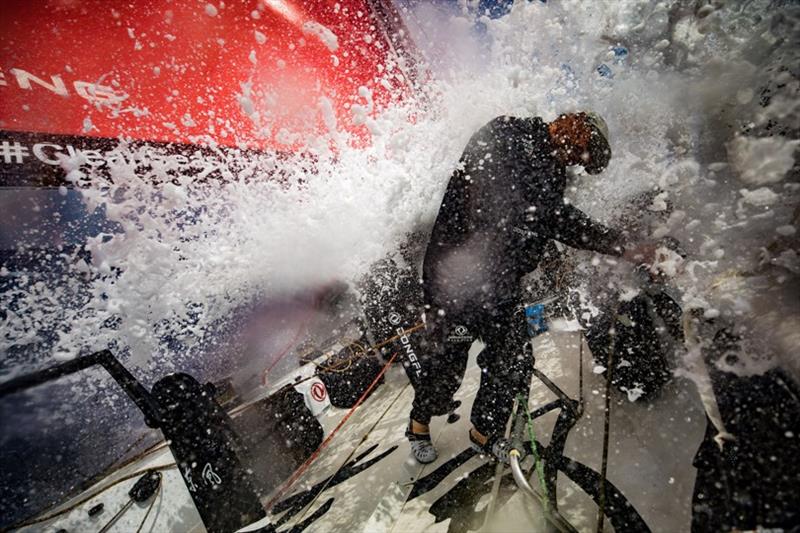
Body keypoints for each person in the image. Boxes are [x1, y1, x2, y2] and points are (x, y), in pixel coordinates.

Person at [406, 111, 650, 464]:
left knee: (514, 359)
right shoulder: (508, 133)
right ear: (574, 125)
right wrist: (617, 242)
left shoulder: (554, 173)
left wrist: (618, 244)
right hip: (454, 286)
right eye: (584, 150)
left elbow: (553, 221)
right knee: (448, 364)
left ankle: (484, 435)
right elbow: (532, 211)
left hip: (500, 286)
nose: (578, 160)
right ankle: (417, 425)